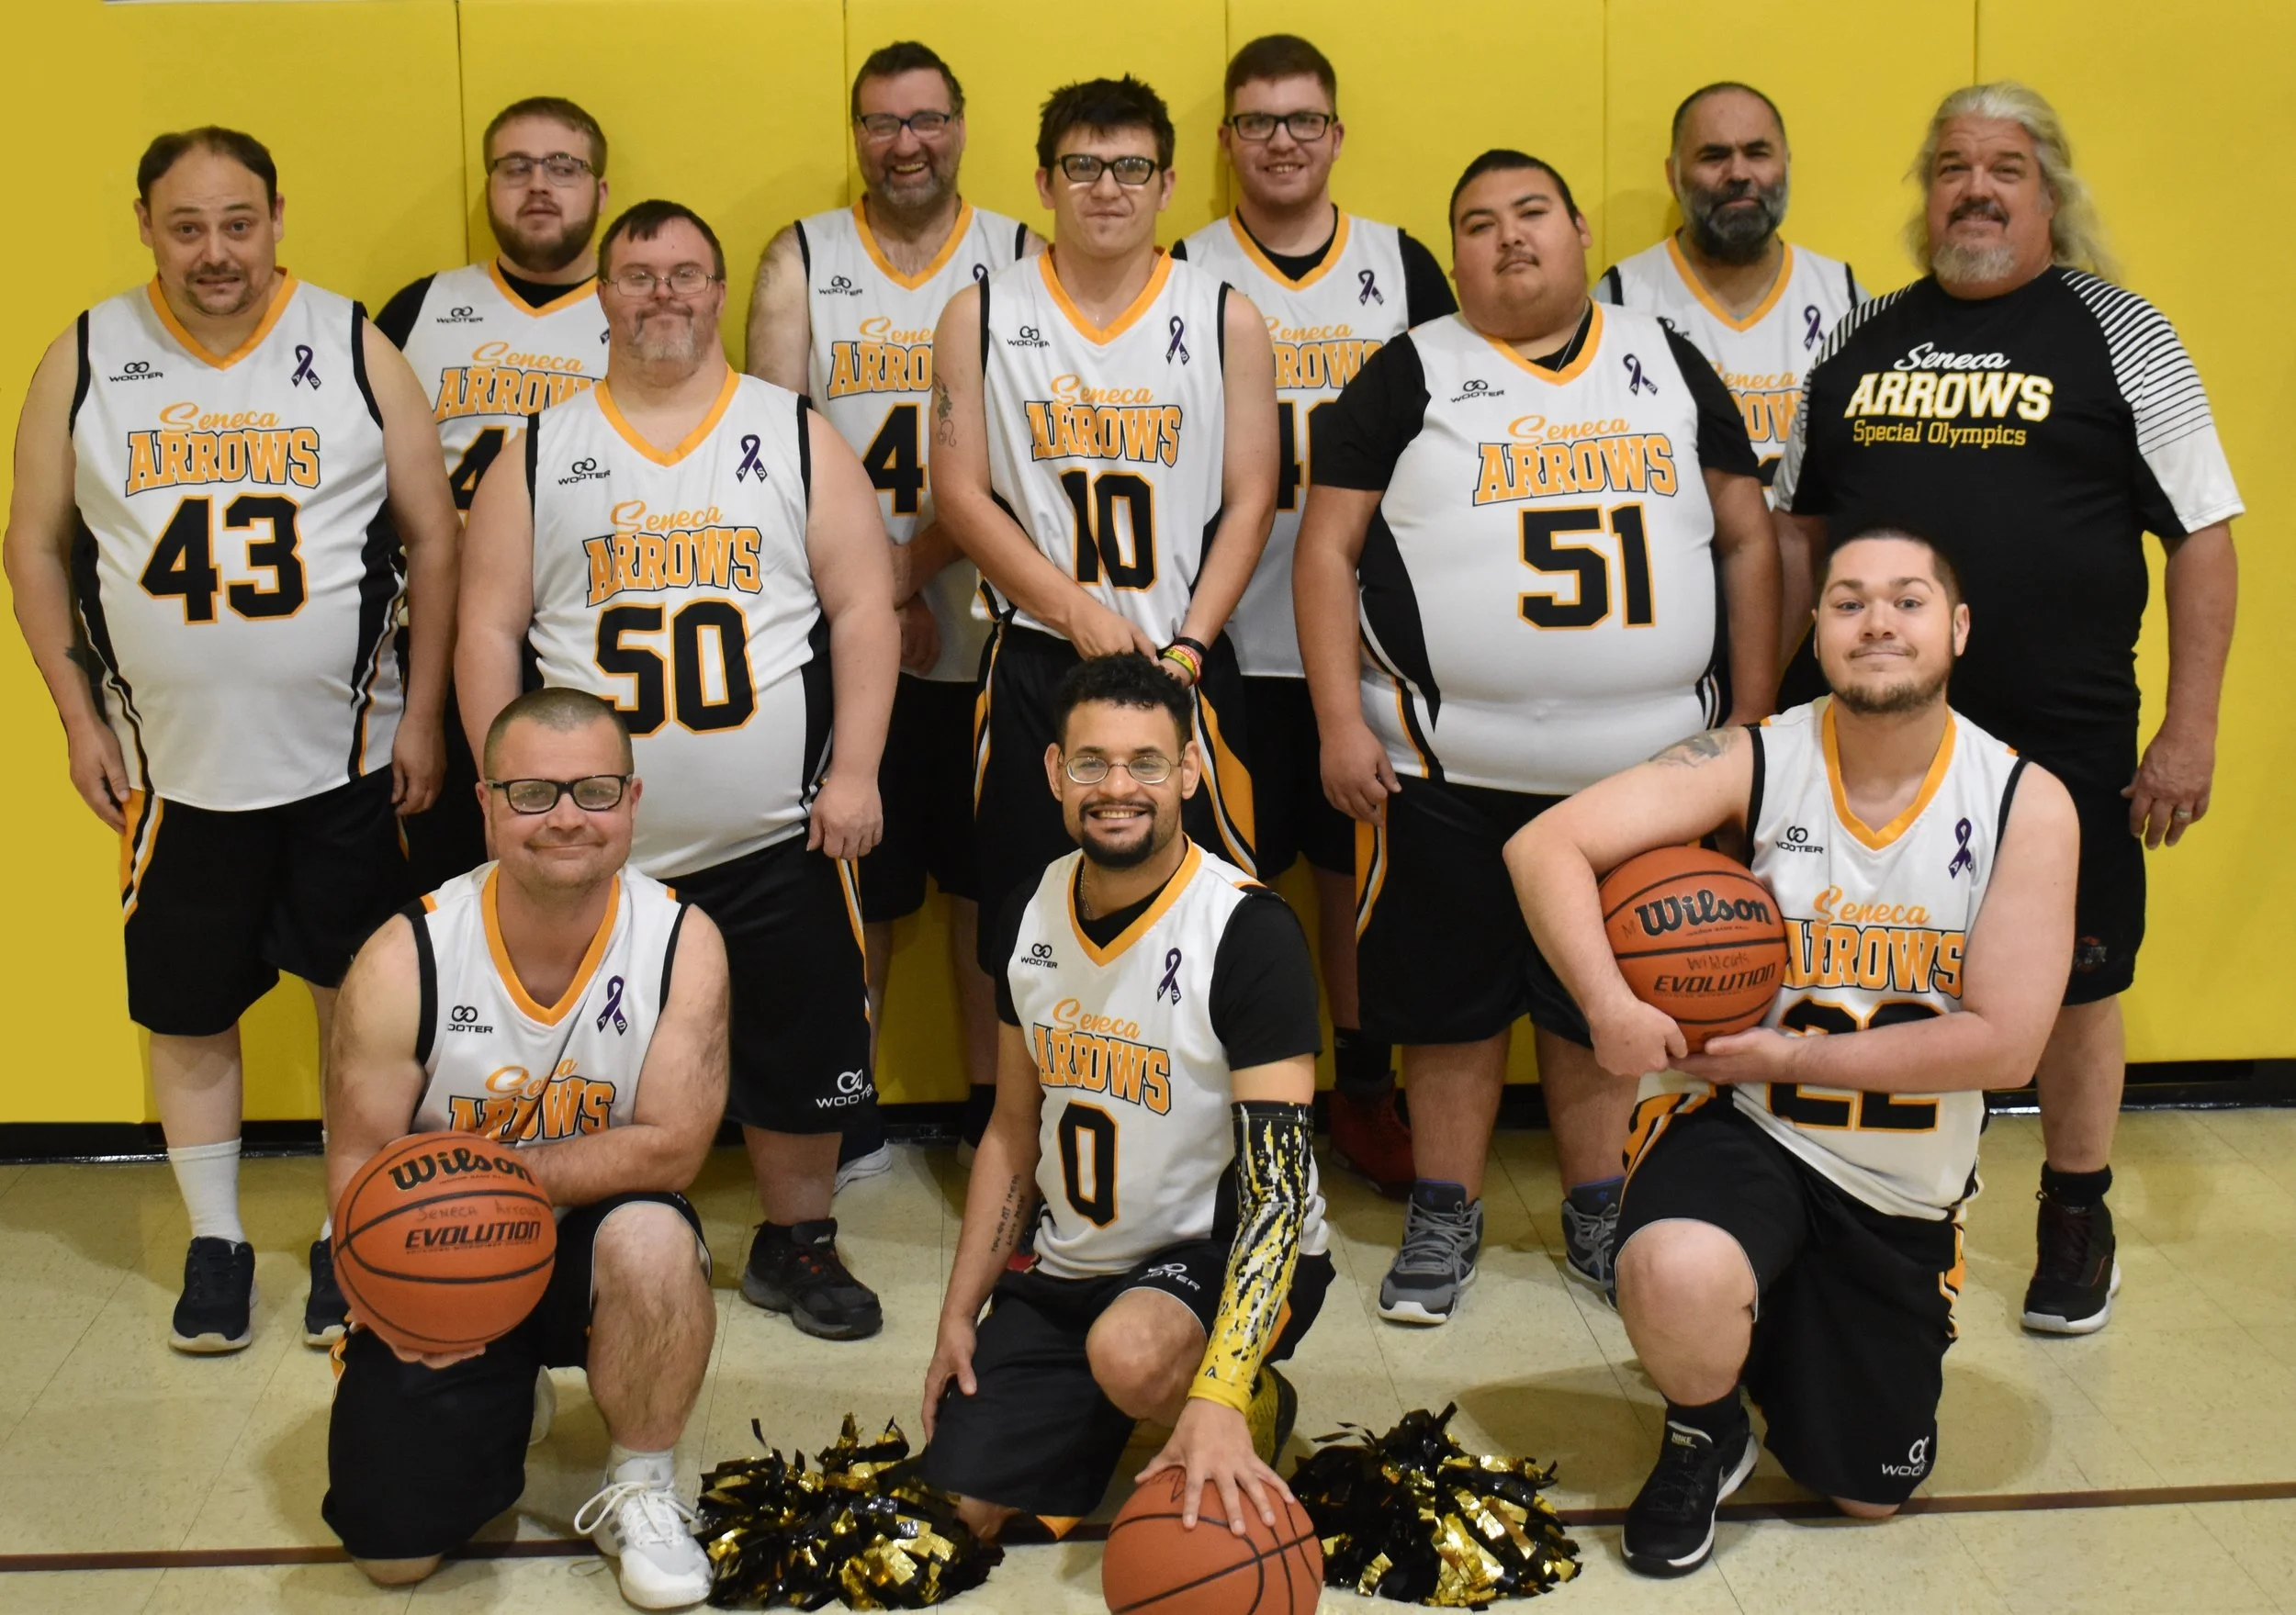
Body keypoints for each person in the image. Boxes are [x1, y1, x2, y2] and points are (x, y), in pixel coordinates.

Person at [1504, 527, 2077, 1576]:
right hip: (1744, 1126)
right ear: (1816, 633)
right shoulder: (1757, 757)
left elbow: (2004, 1046)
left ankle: (1771, 1329)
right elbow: (1543, 844)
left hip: (1898, 1185)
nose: (1877, 622)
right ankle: (1703, 1428)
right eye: (1848, 601)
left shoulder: (2021, 800)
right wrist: (1607, 1003)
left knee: (1867, 1494)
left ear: (1956, 628)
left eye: (1907, 600)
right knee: (1675, 1267)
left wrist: (1790, 1058)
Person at [1773, 82, 2243, 1334]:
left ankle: (2076, 1212)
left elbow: (2203, 536)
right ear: (1924, 194)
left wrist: (2189, 729)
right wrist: (1764, 705)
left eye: (2004, 169)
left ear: (2050, 194)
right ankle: (1849, 1206)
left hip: (2062, 738)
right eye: (1951, 167)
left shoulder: (2122, 332)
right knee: (1862, 958)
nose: (1974, 190)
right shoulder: (1860, 337)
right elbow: (1796, 536)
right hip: (1870, 739)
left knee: (2079, 983)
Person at [1295, 149, 1773, 1322]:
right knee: (1447, 1010)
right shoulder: (1408, 370)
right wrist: (1335, 720)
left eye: (1531, 213)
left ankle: (1598, 1205)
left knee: (1605, 993)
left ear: (1576, 231)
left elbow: (1747, 537)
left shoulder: (1665, 357)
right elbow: (1324, 548)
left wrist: (1755, 722)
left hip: (1644, 776)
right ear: (1453, 254)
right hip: (1443, 765)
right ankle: (1443, 1209)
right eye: (1477, 223)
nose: (1508, 236)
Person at [2, 126, 459, 1353]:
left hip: (346, 759)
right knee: (188, 1006)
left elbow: (434, 535)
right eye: (188, 225)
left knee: (358, 1002)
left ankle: (350, 1222)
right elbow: (33, 543)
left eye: (238, 223)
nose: (216, 251)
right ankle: (215, 1238)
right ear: (146, 225)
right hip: (170, 769)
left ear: (277, 217)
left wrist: (422, 712)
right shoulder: (85, 354)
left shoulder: (353, 345)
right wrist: (75, 714)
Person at [456, 199, 901, 1340]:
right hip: (593, 846)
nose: (664, 294)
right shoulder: (539, 449)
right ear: (603, 294)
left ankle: (798, 1239)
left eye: (687, 274)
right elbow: (485, 630)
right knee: (582, 1054)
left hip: (776, 829)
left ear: (718, 294)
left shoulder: (792, 433)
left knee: (799, 1038)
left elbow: (864, 608)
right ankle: (590, 1235)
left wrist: (856, 770)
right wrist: (507, 792)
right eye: (640, 274)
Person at [321, 689, 727, 1611]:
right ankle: (507, 1393)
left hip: (595, 1243)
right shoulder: (406, 955)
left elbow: (672, 1150)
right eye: (534, 793)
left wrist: (482, 1184)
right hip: (445, 1257)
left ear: (631, 799)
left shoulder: (682, 941)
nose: (567, 818)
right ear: (488, 803)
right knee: (393, 1556)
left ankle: (641, 1482)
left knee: (656, 1237)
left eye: (594, 790)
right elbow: (357, 1161)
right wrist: (387, 1296)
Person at [919, 654, 1331, 1540]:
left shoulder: (1247, 930)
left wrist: (1218, 1388)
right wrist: (958, 1313)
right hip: (1075, 1265)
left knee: (1131, 1351)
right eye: (1091, 762)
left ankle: (1243, 1396)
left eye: (1146, 762)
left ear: (1189, 771)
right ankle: (1113, 1405)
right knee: (958, 1514)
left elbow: (1280, 1194)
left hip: (1219, 1252)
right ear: (1054, 772)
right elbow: (1011, 1131)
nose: (1117, 787)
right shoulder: (1028, 910)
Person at [1173, 34, 1457, 1196]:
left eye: (1302, 120)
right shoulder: (1183, 267)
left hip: (1364, 639)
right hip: (1221, 633)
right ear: (1226, 140)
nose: (1280, 141)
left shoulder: (1401, 263)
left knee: (1356, 880)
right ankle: (1216, 1099)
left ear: (1336, 135)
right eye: (1257, 121)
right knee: (1213, 882)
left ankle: (1362, 1092)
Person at [748, 41, 1039, 1161]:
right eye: (880, 123)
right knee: (851, 888)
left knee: (987, 893)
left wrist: (911, 572)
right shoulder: (802, 256)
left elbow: (1030, 450)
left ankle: (987, 1114)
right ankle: (845, 1110)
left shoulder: (1019, 251)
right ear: (857, 135)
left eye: (925, 120)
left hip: (995, 628)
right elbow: (772, 451)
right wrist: (874, 592)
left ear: (959, 126)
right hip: (843, 633)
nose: (904, 144)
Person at [929, 75, 1279, 975]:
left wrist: (1191, 646)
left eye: (1131, 167)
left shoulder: (1225, 317)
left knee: (1205, 929)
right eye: (1082, 166)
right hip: (1039, 660)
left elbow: (1252, 496)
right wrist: (1075, 611)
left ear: (1167, 183)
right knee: (1026, 932)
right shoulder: (979, 315)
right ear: (1044, 183)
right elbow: (960, 495)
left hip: (1180, 657)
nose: (1107, 188)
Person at [376, 95, 614, 893]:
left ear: (600, 191)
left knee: (577, 884)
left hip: (581, 640)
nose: (538, 185)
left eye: (562, 167)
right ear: (488, 187)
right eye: (516, 167)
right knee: (446, 888)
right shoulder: (418, 310)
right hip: (435, 644)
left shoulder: (641, 314)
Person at [1595, 82, 1864, 493]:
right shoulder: (1620, 298)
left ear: (1787, 164)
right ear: (1673, 175)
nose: (1738, 173)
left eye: (1758, 153)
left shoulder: (1845, 297)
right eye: (1714, 156)